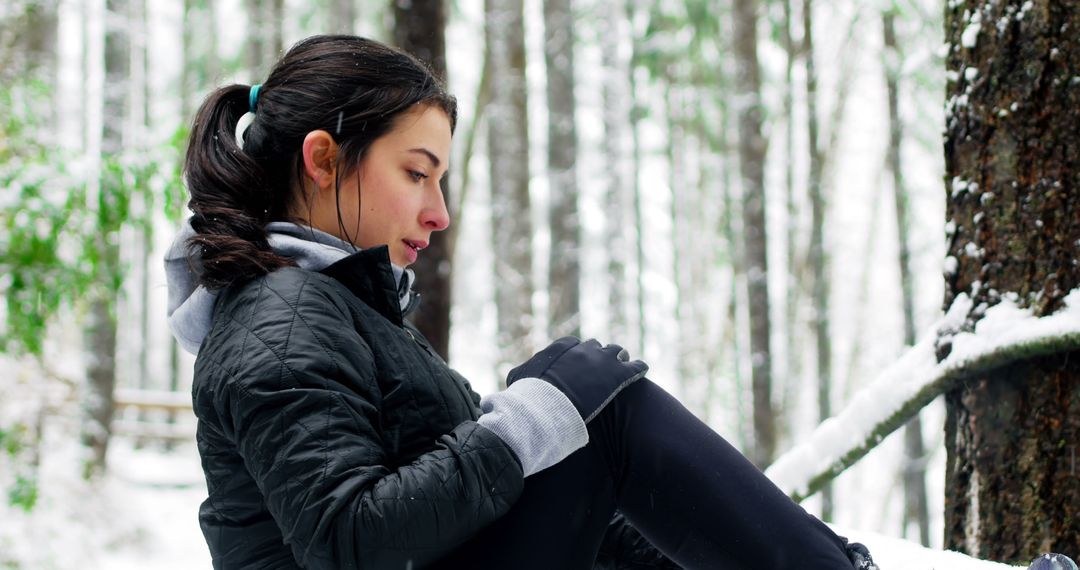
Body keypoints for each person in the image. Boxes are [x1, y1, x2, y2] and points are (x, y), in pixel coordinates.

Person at [166, 34, 879, 569]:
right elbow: (350, 538)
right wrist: (529, 424)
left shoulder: (335, 311)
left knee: (580, 411)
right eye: (417, 173)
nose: (439, 212)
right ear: (323, 160)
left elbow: (520, 500)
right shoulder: (279, 316)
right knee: (592, 406)